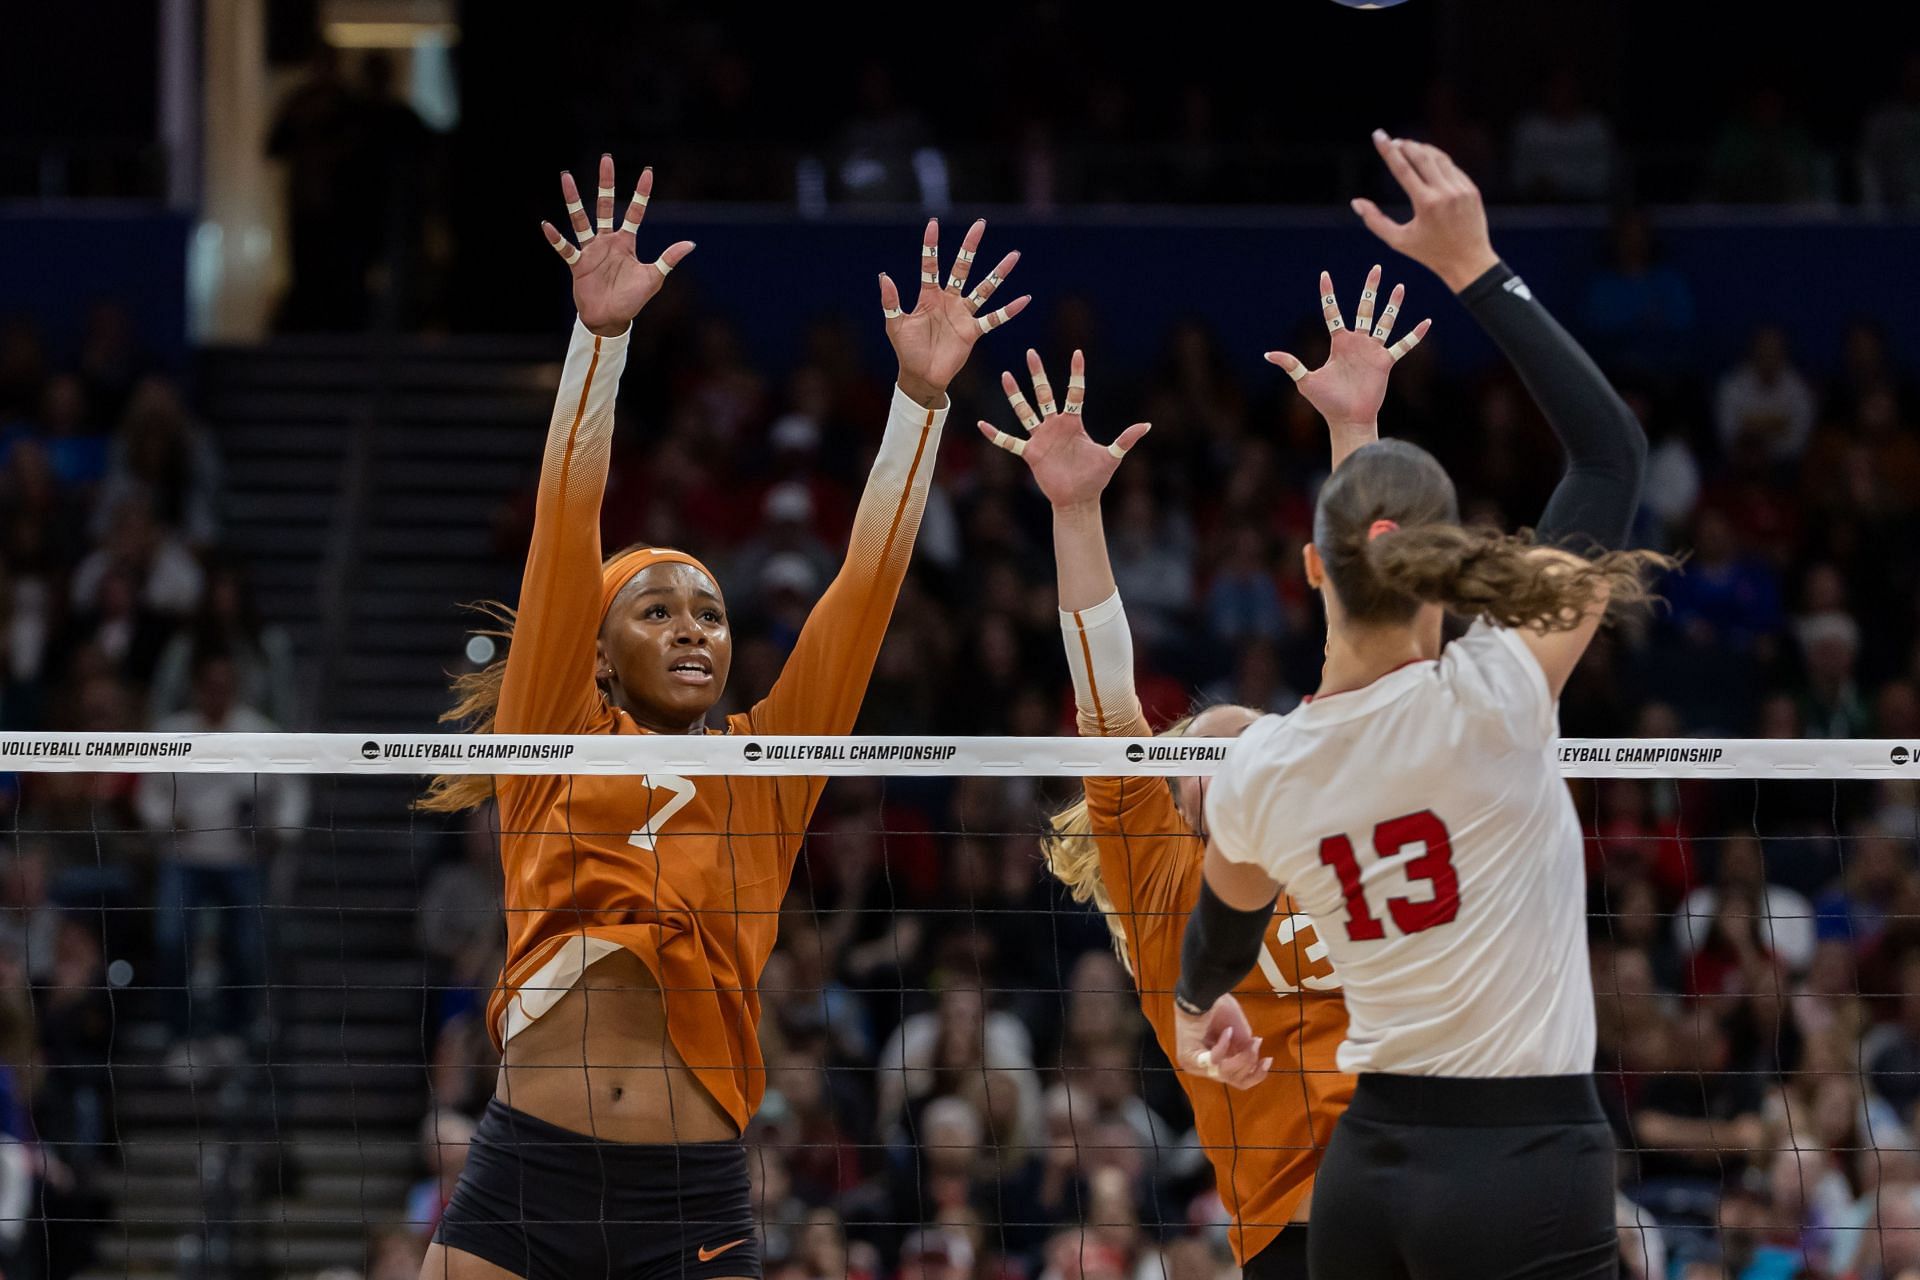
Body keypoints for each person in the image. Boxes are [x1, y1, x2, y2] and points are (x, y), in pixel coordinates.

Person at [415, 155, 1029, 1280]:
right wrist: (598, 342)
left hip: (686, 1194)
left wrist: (921, 402)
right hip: (523, 1179)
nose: (696, 627)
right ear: (597, 654)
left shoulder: (768, 762)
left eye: (710, 608)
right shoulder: (551, 736)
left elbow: (865, 589)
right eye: (658, 608)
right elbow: (565, 520)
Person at [1169, 131, 1667, 1280]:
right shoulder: (1501, 689)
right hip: (1525, 1162)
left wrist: (1202, 1008)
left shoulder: (1261, 771)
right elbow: (1608, 454)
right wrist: (1478, 267)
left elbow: (1224, 922)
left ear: (1310, 569)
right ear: (1446, 569)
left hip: (1369, 1173)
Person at [981, 267, 1432, 1277]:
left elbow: (1367, 631)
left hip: (1434, 1193)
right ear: (1179, 796)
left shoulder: (1351, 828)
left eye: (1263, 738)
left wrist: (1355, 428)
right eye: (1208, 751)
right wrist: (1075, 512)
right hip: (1299, 1232)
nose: (1246, 751)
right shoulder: (1160, 886)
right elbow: (1105, 699)